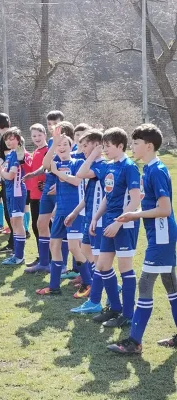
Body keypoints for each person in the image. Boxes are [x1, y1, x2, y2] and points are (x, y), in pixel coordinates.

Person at [107, 124, 177, 354]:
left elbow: (165, 209)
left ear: (148, 146)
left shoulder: (155, 170)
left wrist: (134, 214)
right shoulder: (149, 168)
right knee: (171, 285)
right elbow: (156, 200)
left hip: (162, 235)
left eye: (136, 143)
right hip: (159, 234)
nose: (132, 147)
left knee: (145, 283)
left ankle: (134, 341)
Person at [89, 127, 141, 328]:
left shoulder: (130, 167)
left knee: (125, 268)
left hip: (124, 224)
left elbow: (135, 200)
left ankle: (128, 314)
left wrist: (118, 223)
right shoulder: (110, 166)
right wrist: (96, 217)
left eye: (108, 146)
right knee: (102, 266)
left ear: (120, 146)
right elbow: (107, 197)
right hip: (109, 221)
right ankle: (115, 308)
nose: (105, 150)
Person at [36, 131, 88, 295]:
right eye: (59, 144)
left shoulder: (78, 162)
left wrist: (58, 173)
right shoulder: (55, 162)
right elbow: (45, 163)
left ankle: (89, 282)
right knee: (54, 245)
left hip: (74, 212)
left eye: (65, 144)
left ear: (71, 146)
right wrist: (53, 145)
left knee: (74, 248)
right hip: (60, 212)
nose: (62, 147)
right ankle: (54, 287)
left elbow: (76, 181)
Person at [65, 129, 109, 309]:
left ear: (97, 145)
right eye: (81, 145)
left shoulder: (101, 165)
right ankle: (105, 281)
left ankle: (102, 287)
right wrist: (75, 212)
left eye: (85, 145)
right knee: (85, 249)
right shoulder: (91, 164)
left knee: (100, 260)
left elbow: (80, 174)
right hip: (89, 216)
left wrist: (94, 155)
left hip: (98, 220)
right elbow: (87, 197)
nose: (82, 149)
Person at [0, 127, 27, 265]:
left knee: (17, 223)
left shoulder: (17, 153)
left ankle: (19, 256)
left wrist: (0, 169)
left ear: (18, 139)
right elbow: (4, 175)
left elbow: (9, 176)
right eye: (7, 139)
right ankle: (16, 254)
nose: (9, 142)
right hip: (10, 191)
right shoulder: (10, 154)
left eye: (12, 139)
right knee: (13, 223)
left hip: (17, 191)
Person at [22, 123, 48, 268]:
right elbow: (31, 170)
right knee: (35, 226)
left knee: (44, 226)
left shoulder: (47, 150)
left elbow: (47, 168)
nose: (37, 138)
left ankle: (48, 257)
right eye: (34, 136)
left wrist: (46, 182)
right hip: (34, 194)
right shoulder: (36, 151)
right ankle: (42, 256)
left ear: (45, 134)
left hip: (44, 195)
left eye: (39, 135)